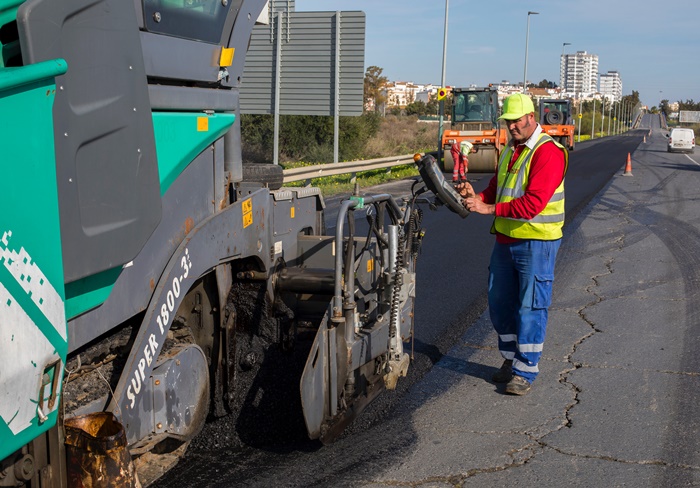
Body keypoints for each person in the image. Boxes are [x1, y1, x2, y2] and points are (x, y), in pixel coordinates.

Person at [457, 93, 568, 396]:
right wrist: (476, 198)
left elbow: (533, 203)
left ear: (532, 117)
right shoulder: (511, 149)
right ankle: (510, 359)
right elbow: (497, 188)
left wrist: (488, 210)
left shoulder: (548, 152)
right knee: (500, 303)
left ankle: (525, 371)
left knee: (531, 306)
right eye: (508, 121)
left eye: (517, 121)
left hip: (536, 241)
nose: (512, 126)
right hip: (506, 240)